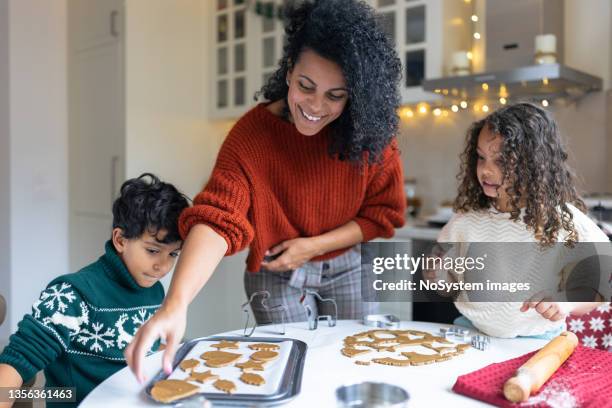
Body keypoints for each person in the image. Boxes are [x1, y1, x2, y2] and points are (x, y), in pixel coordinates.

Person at [125, 0, 406, 382]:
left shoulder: (372, 139)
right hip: (274, 274)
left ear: (353, 95)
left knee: (359, 366)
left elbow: (382, 216)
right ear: (289, 72)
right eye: (306, 86)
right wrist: (176, 303)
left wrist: (312, 246)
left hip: (350, 267)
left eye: (334, 95)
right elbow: (217, 219)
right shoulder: (252, 137)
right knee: (291, 371)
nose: (315, 106)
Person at [0, 174, 189, 407]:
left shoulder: (155, 291)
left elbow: (146, 349)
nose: (163, 266)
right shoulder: (71, 294)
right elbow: (16, 364)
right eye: (152, 250)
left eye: (173, 254)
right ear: (120, 240)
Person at [433, 103, 608, 338]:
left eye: (501, 161)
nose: (486, 170)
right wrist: (439, 275)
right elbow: (446, 278)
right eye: (481, 157)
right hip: (472, 330)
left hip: (540, 338)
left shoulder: (562, 220)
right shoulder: (466, 221)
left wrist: (566, 303)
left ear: (535, 165)